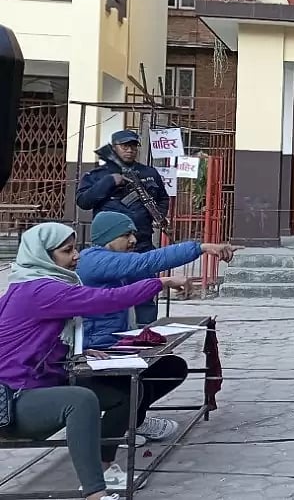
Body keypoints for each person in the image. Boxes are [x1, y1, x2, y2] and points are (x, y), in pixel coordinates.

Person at [0, 223, 188, 500]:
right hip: (12, 401)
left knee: (124, 391)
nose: (76, 256)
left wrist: (78, 354)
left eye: (74, 248)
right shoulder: (39, 290)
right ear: (43, 255)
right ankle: (94, 492)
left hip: (38, 384)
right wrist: (160, 282)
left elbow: (37, 346)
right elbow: (106, 300)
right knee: (80, 399)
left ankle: (104, 464)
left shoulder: (41, 286)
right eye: (67, 251)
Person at [76, 211, 239, 442]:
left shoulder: (109, 261)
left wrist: (162, 283)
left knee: (171, 367)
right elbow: (147, 261)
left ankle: (132, 420)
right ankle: (117, 432)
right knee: (133, 387)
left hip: (114, 343)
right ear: (107, 237)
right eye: (126, 234)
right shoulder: (93, 259)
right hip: (95, 349)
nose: (133, 240)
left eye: (134, 233)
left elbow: (139, 276)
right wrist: (201, 248)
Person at [75, 130, 170, 326]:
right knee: (108, 294)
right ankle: (108, 334)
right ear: (114, 148)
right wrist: (110, 182)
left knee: (146, 293)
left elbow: (162, 198)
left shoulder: (148, 173)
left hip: (141, 245)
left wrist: (158, 215)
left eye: (133, 146)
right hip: (109, 250)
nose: (129, 150)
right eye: (124, 146)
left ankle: (145, 333)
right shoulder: (97, 175)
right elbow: (83, 201)